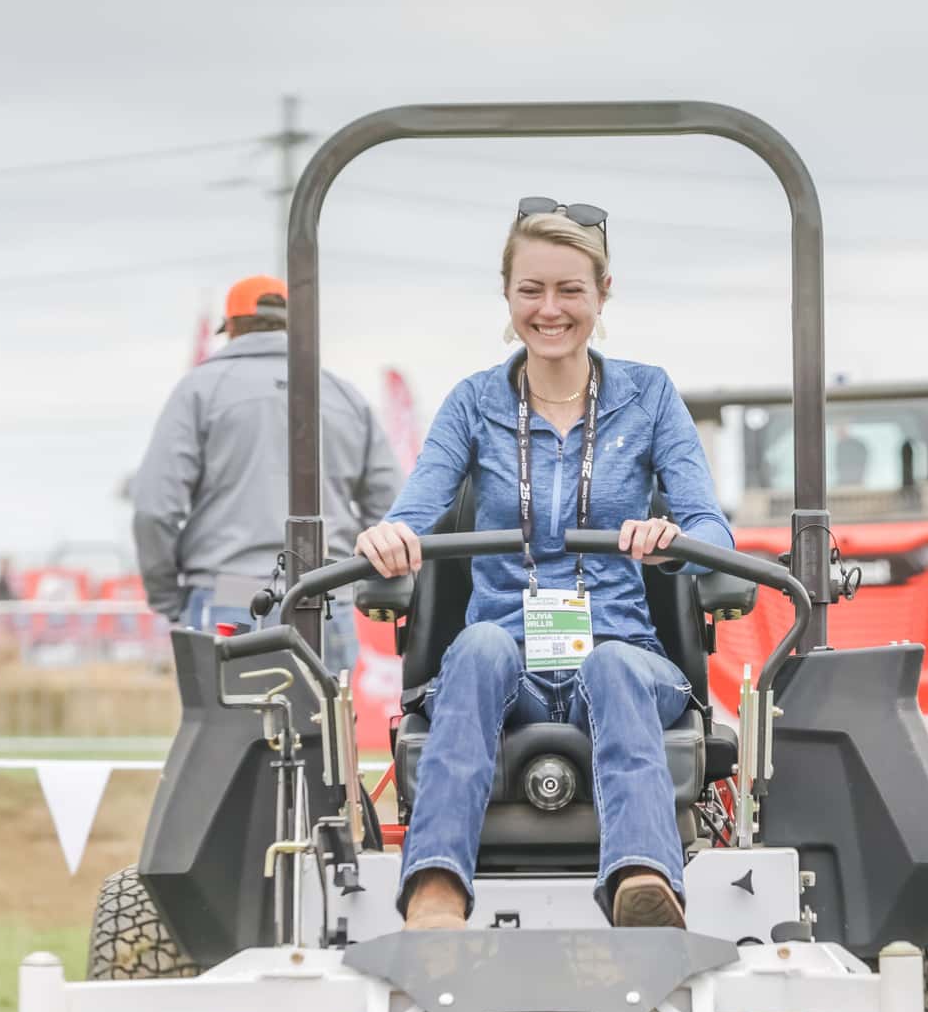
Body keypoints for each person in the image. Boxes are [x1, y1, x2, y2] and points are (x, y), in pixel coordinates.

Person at [354, 201, 735, 931]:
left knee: (616, 665)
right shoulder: (472, 403)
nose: (550, 309)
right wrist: (392, 536)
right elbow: (417, 504)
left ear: (602, 294)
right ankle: (436, 885)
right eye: (532, 290)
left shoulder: (649, 396)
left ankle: (643, 880)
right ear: (507, 294)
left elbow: (707, 525)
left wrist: (673, 539)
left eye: (570, 290)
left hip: (622, 655)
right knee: (478, 644)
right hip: (509, 665)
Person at [131, 274, 402, 674]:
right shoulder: (344, 396)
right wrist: (351, 582)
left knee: (230, 731)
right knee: (323, 730)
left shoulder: (200, 391)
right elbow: (391, 508)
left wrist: (168, 599)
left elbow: (155, 508)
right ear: (295, 324)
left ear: (233, 328)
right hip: (327, 595)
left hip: (231, 594)